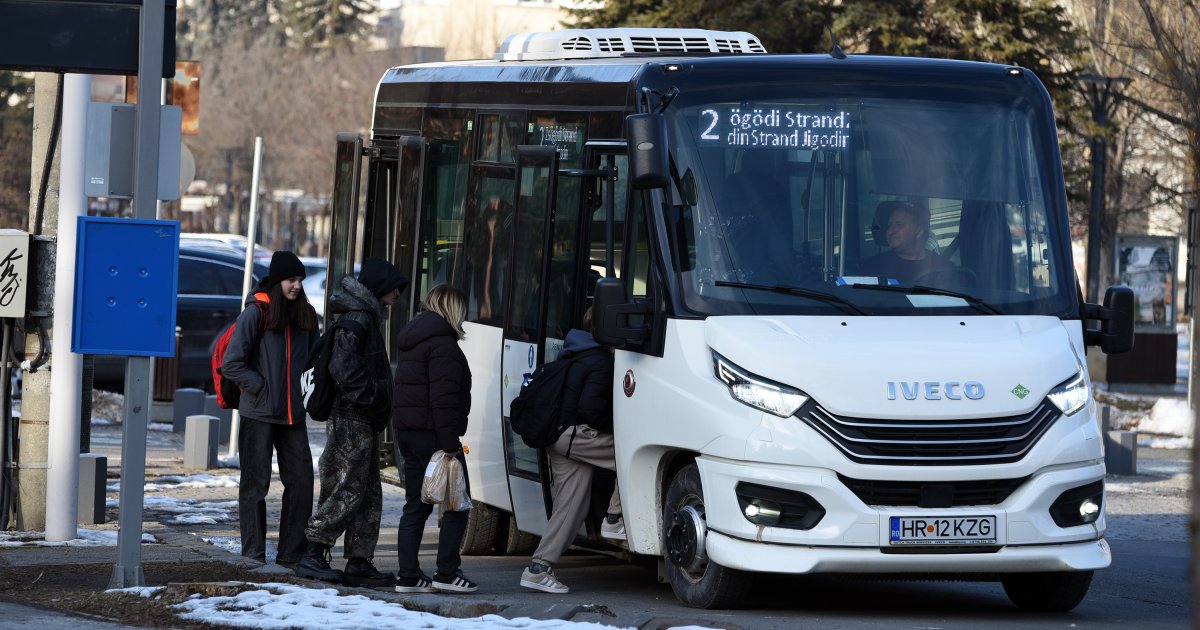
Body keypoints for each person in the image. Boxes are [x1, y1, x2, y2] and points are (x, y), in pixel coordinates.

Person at [295, 258, 409, 586]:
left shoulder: (365, 317)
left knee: (369, 492)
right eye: (395, 287)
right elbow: (343, 369)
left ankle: (360, 560)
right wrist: (372, 397)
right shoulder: (357, 319)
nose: (399, 293)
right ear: (379, 288)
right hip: (352, 417)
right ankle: (313, 552)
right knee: (347, 488)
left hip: (362, 418)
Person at [221, 250, 318, 567]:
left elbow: (313, 361)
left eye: (301, 280)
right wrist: (261, 387)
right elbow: (231, 364)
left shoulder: (306, 316)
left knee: (302, 483)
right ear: (278, 282)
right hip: (259, 414)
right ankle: (253, 555)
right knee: (254, 486)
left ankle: (291, 554)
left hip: (294, 416)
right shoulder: (256, 314)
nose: (297, 286)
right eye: (292, 280)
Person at [520, 308, 625, 595]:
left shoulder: (574, 351)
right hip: (574, 435)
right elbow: (590, 410)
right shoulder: (601, 360)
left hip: (556, 436)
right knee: (630, 456)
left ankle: (538, 569)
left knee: (570, 505)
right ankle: (615, 520)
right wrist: (618, 430)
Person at [392, 284, 478, 594]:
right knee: (457, 504)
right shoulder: (443, 346)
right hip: (435, 437)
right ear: (454, 309)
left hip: (409, 434)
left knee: (416, 504)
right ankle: (447, 571)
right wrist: (450, 446)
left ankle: (408, 575)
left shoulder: (413, 340)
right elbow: (442, 400)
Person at [862, 201, 952, 285]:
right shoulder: (873, 267)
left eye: (899, 225)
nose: (890, 231)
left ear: (919, 231)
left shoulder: (945, 268)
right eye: (889, 226)